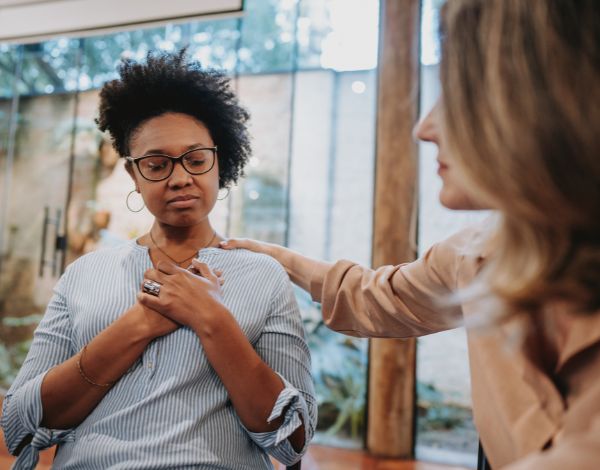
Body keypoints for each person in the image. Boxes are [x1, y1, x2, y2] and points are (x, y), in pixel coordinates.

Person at [222, 0, 600, 468]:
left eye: (459, 95)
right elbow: (377, 295)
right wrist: (278, 259)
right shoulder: (474, 254)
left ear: (552, 102)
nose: (424, 128)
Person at [1, 51, 316, 469]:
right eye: (156, 164)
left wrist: (212, 319)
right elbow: (19, 422)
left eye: (196, 159)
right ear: (133, 175)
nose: (180, 177)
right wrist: (139, 324)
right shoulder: (85, 273)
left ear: (220, 162)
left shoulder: (263, 275)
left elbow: (292, 438)